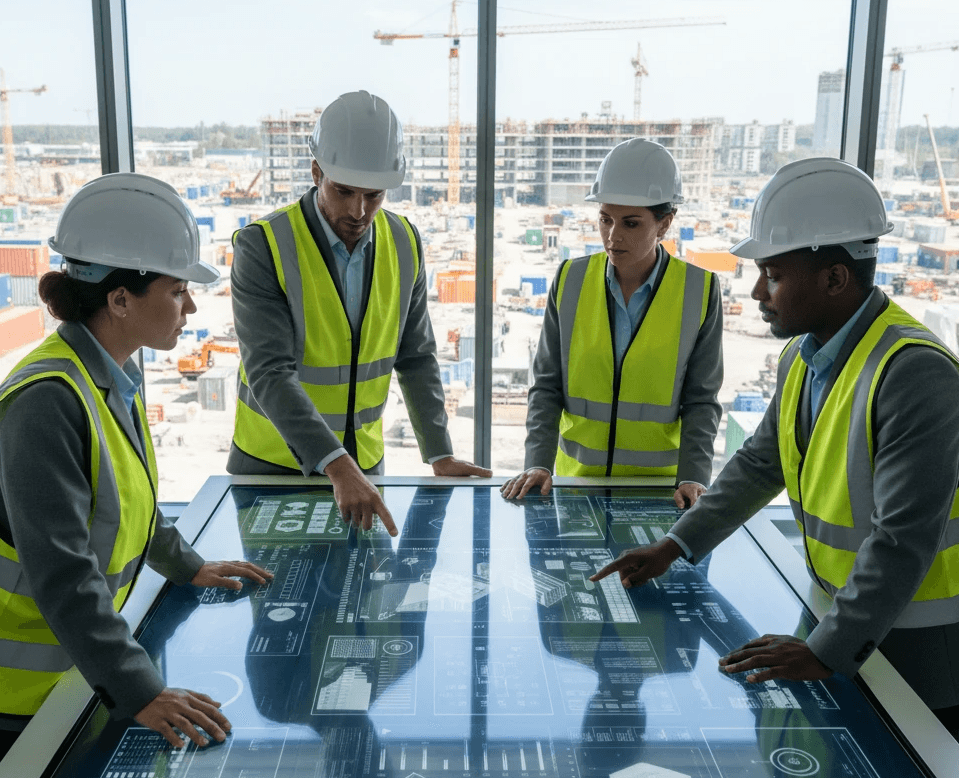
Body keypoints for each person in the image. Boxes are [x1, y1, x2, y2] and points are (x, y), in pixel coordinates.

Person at [590, 158, 959, 736]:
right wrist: (674, 545)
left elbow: (902, 539)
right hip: (844, 620)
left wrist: (823, 649)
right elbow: (762, 463)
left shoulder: (913, 373)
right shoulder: (802, 357)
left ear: (836, 279)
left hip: (918, 655)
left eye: (775, 275)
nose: (759, 292)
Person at [0, 173, 274, 759]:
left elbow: (130, 505)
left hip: (78, 672)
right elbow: (62, 573)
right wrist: (141, 690)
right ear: (120, 298)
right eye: (177, 290)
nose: (191, 306)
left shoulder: (107, 373)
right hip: (20, 695)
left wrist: (187, 565)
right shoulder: (47, 399)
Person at [228, 90, 490, 535]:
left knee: (364, 598)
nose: (358, 210)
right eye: (344, 191)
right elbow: (270, 371)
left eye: (373, 194)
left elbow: (416, 356)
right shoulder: (264, 245)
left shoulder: (405, 241)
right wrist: (337, 465)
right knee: (282, 600)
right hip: (273, 466)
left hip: (364, 466)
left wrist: (439, 453)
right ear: (316, 172)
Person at [501, 139, 723, 509]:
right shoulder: (570, 280)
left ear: (665, 223)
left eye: (631, 223)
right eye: (605, 219)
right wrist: (537, 463)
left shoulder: (698, 290)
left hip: (660, 493)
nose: (613, 235)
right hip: (575, 486)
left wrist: (694, 477)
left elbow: (701, 400)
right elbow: (547, 386)